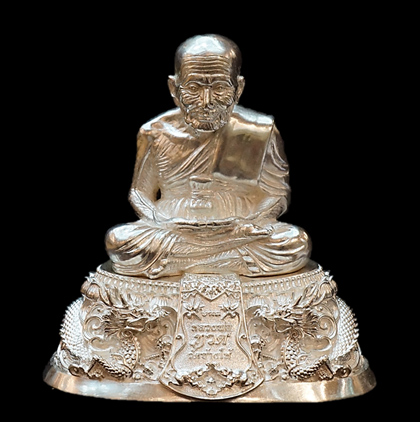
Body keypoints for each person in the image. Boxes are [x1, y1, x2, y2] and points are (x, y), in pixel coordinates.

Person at [105, 34, 311, 278]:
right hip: (174, 230)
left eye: (220, 88)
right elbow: (140, 193)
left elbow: (276, 194)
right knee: (118, 241)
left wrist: (250, 224)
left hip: (240, 229)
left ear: (238, 88)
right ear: (173, 88)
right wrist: (161, 221)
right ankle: (222, 261)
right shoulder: (155, 132)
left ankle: (185, 262)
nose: (207, 102)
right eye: (193, 88)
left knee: (294, 242)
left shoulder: (258, 131)